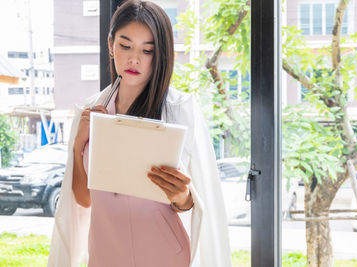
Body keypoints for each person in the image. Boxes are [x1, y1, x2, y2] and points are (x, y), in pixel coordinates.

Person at [47, 1, 232, 266]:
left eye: (148, 50)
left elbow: (204, 200)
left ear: (161, 55)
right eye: (125, 46)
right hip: (105, 254)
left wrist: (182, 197)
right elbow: (83, 199)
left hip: (164, 254)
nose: (134, 59)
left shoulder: (180, 109)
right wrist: (79, 146)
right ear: (110, 45)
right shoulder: (90, 111)